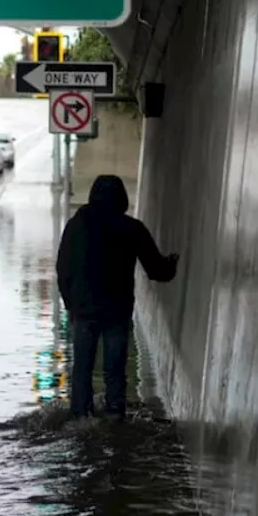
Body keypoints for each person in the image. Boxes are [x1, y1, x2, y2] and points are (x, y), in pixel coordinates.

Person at [55, 174, 179, 421]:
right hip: (116, 311)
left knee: (82, 368)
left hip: (84, 310)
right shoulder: (132, 228)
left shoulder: (76, 225)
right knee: (114, 369)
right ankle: (114, 417)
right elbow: (156, 271)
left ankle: (80, 416)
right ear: (122, 197)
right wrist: (172, 263)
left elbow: (63, 268)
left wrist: (71, 304)